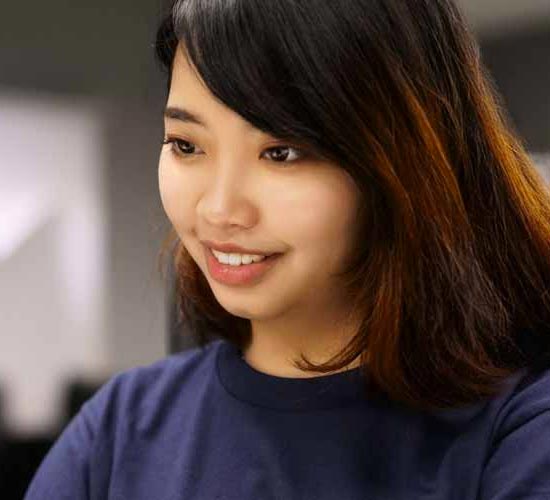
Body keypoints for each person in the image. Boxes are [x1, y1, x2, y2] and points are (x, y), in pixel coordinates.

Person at [25, 0, 550, 498]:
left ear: (402, 161)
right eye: (186, 146)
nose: (219, 209)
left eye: (282, 153)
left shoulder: (522, 428)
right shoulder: (116, 434)